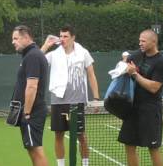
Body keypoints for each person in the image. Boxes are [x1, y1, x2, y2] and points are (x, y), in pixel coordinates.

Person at [41, 24, 99, 166]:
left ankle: (85, 164)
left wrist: (96, 98)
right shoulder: (54, 54)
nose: (62, 39)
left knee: (81, 135)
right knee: (59, 135)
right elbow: (35, 59)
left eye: (65, 36)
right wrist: (46, 46)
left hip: (77, 102)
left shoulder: (83, 52)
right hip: (58, 102)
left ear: (73, 37)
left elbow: (91, 75)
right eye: (60, 36)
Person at [118, 29, 163, 166]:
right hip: (132, 109)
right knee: (129, 145)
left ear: (153, 42)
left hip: (150, 111)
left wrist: (134, 74)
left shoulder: (162, 62)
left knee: (153, 148)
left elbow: (154, 87)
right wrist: (123, 65)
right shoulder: (136, 56)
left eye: (143, 41)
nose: (140, 43)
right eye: (139, 40)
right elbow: (125, 66)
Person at [11, 25, 49, 166]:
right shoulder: (31, 54)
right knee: (32, 149)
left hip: (32, 112)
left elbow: (32, 86)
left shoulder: (33, 55)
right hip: (31, 111)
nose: (13, 42)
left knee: (36, 150)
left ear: (26, 37)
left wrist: (27, 113)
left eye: (16, 38)